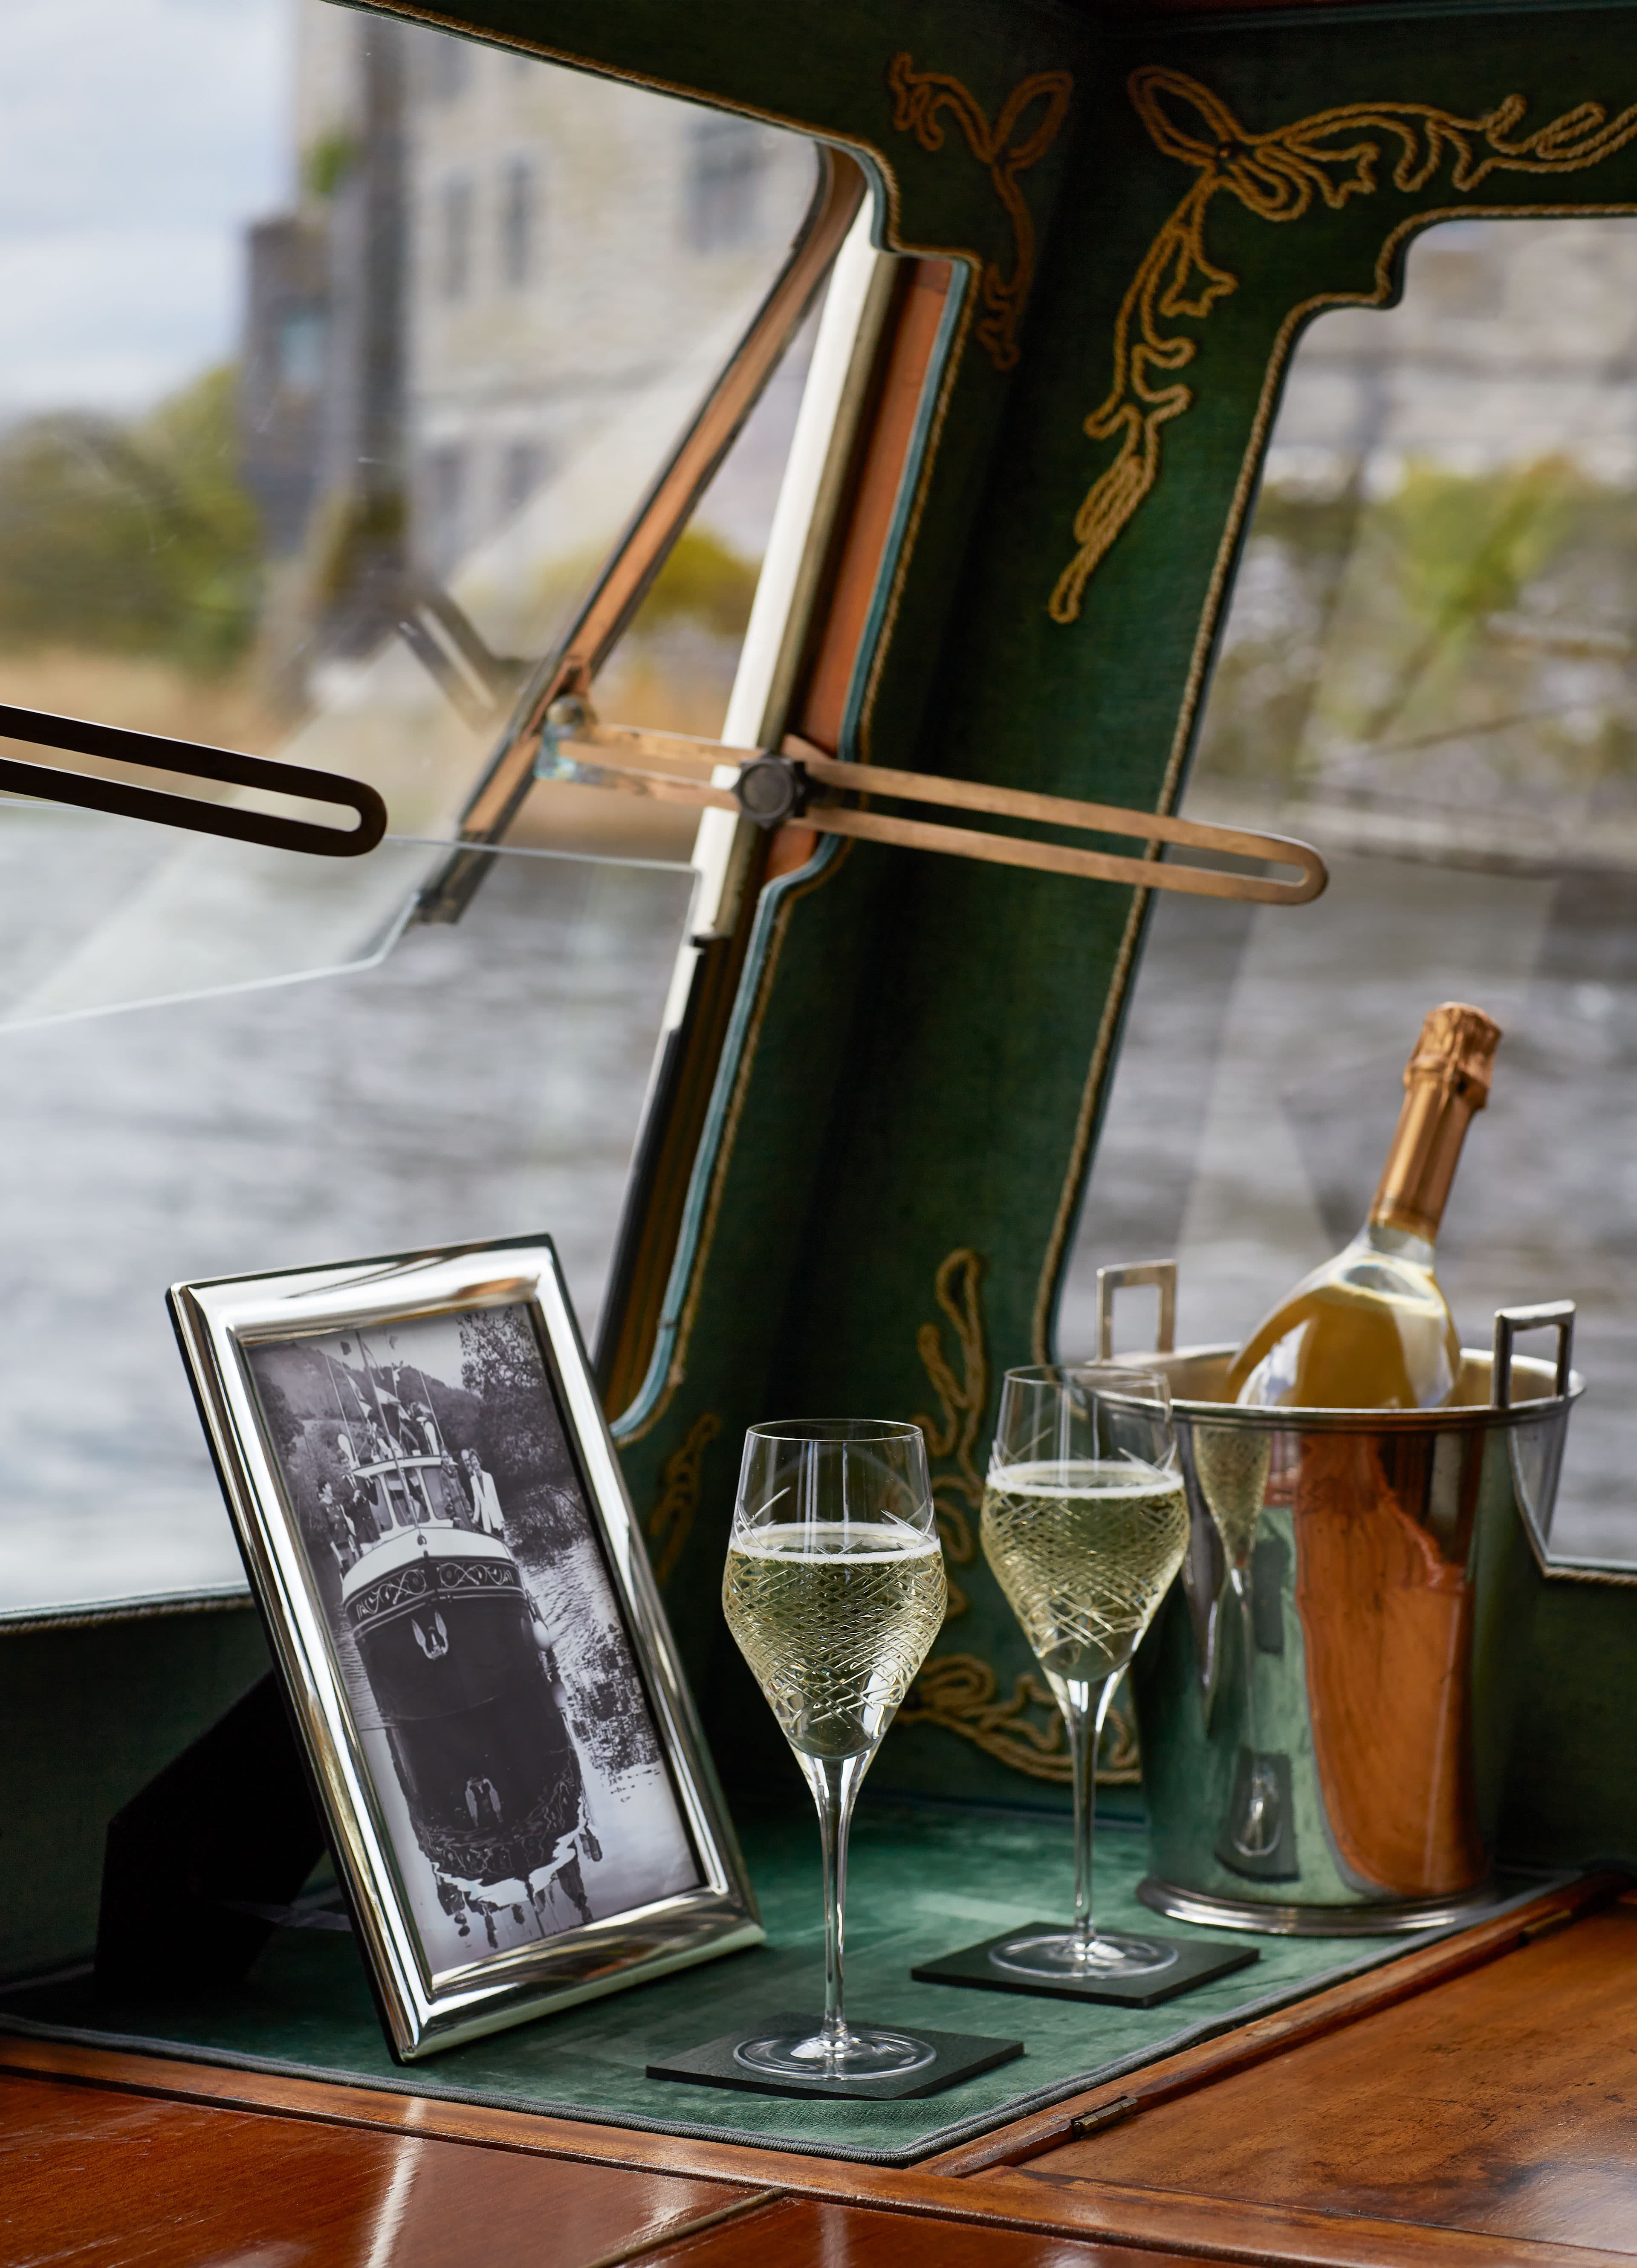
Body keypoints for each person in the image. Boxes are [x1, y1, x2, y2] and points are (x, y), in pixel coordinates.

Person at [464, 1448, 506, 1537]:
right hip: (487, 1521)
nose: (474, 1462)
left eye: (475, 1459)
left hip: (495, 1518)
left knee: (501, 1540)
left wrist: (501, 1520)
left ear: (479, 1461)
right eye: (472, 1461)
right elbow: (477, 1503)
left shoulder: (489, 1477)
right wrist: (475, 1520)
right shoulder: (473, 1481)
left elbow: (495, 1500)